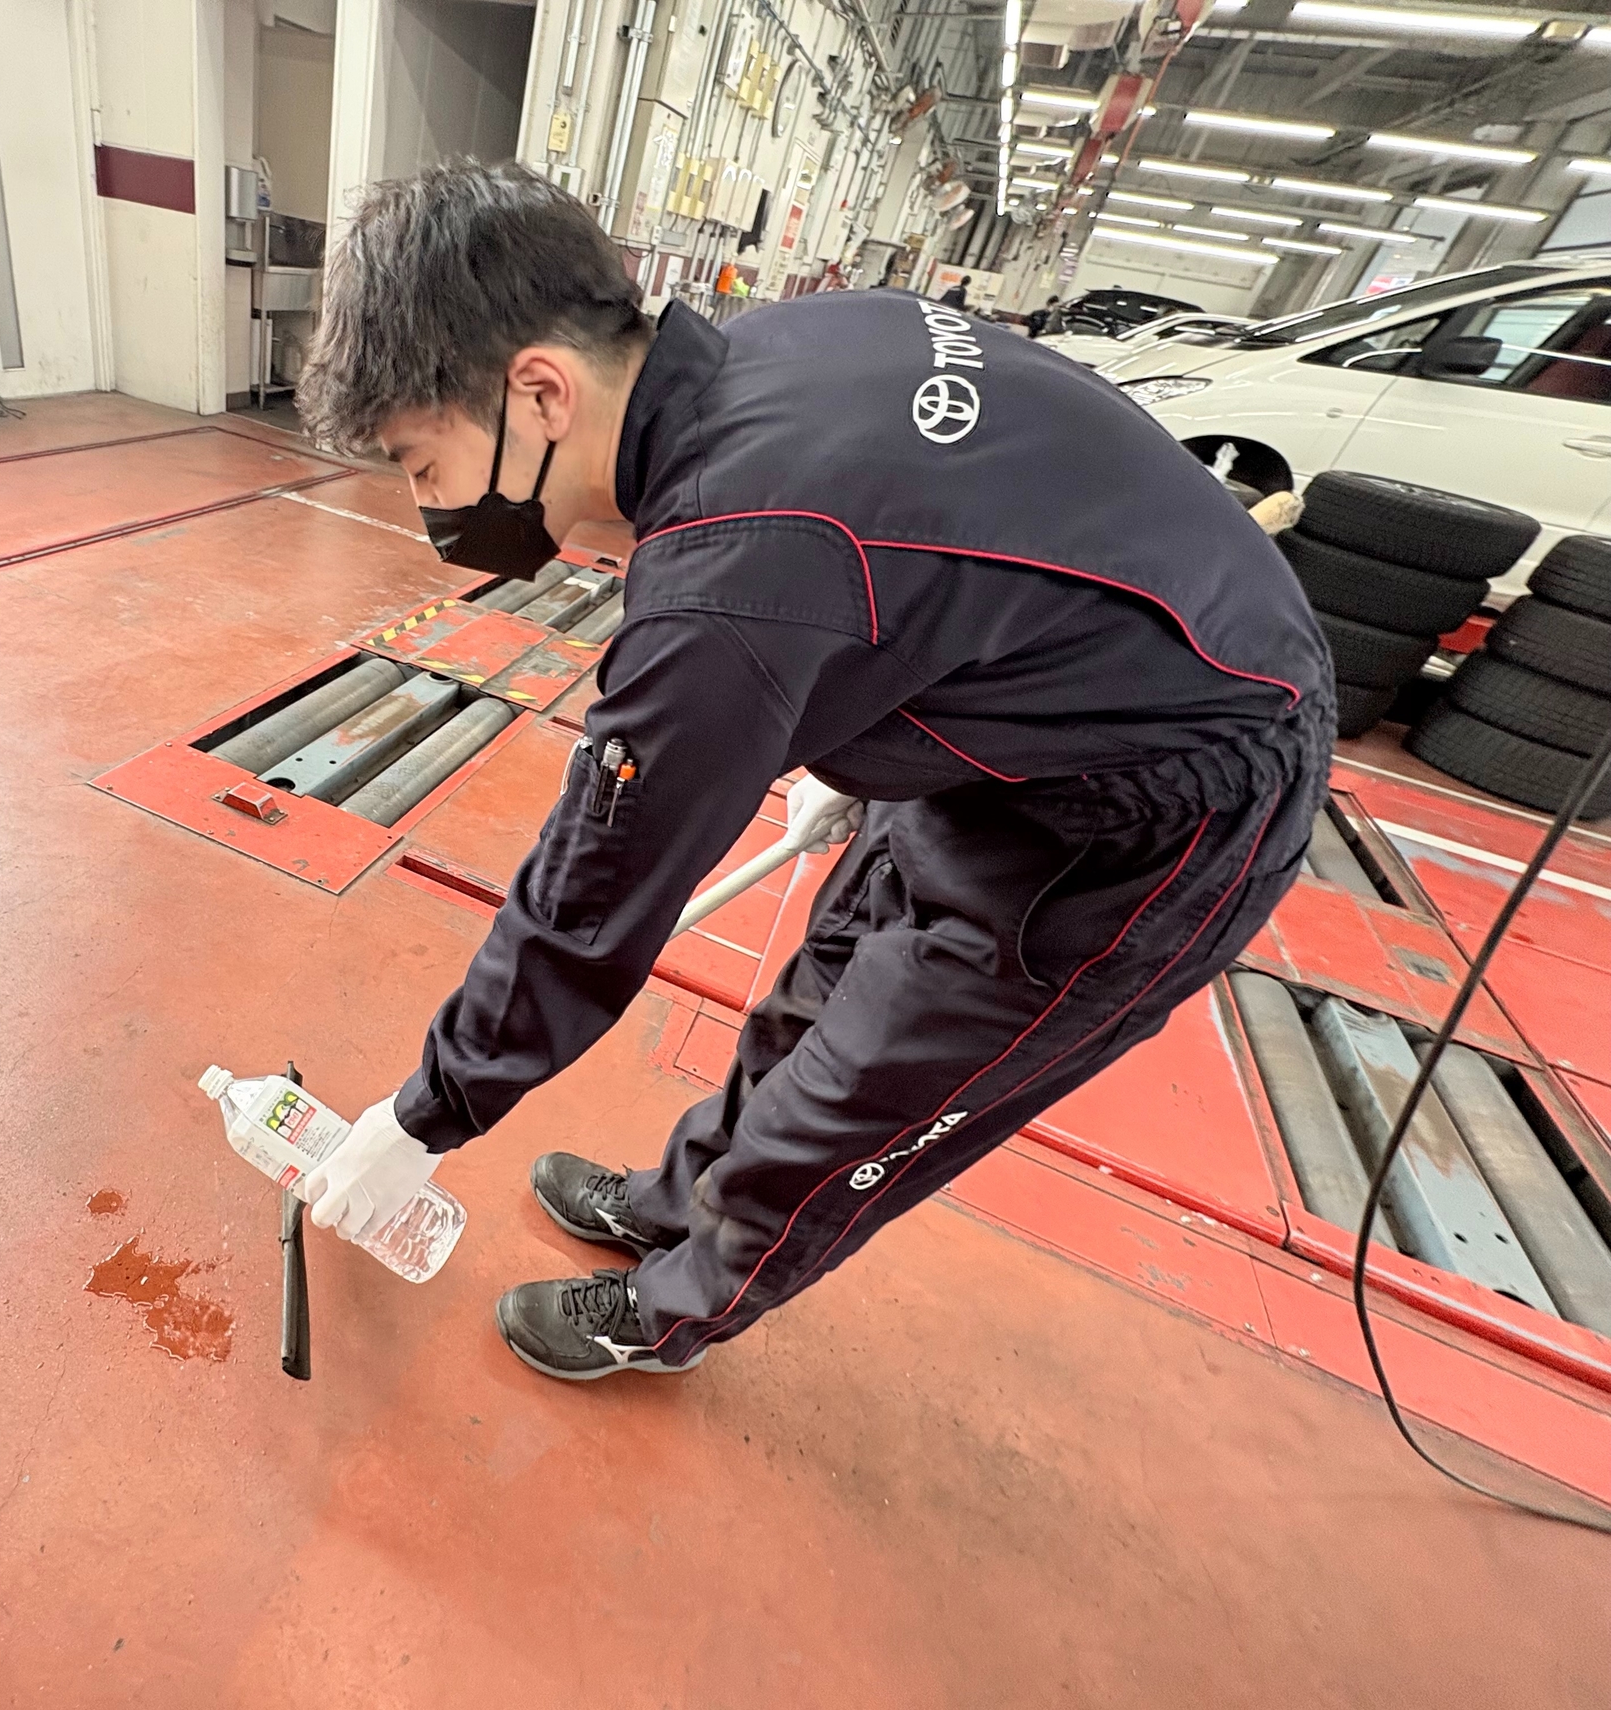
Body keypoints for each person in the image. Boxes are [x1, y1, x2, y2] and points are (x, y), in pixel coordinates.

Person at [292, 161, 1331, 1383]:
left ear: (540, 391)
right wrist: (880, 707)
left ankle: (673, 1312)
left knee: (867, 1087)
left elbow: (592, 900)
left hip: (1170, 791)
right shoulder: (795, 341)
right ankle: (675, 1200)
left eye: (423, 464)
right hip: (1040, 711)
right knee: (815, 997)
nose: (432, 509)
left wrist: (428, 1112)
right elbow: (964, 518)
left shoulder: (735, 572)